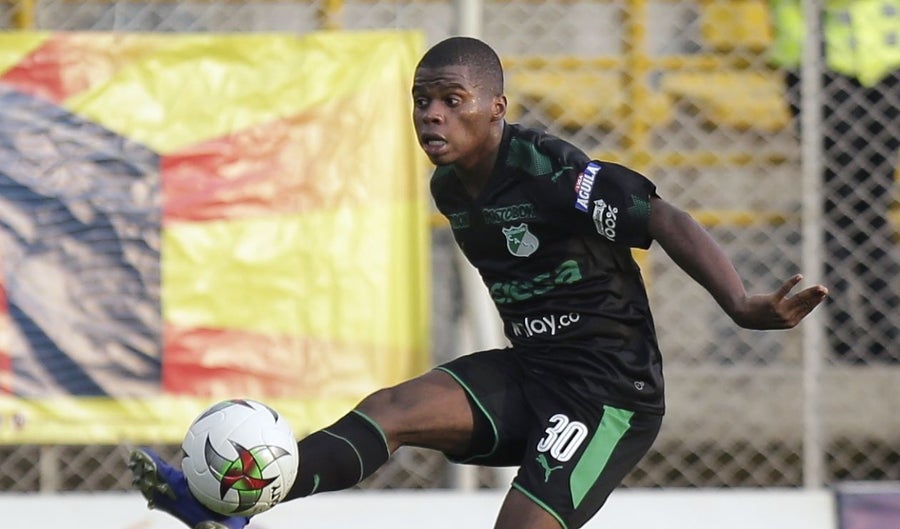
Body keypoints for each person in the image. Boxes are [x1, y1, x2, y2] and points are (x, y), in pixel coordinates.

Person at [130, 36, 828, 529]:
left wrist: (742, 303)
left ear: (496, 106)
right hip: (532, 372)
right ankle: (225, 505)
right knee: (391, 409)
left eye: (451, 99)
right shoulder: (450, 187)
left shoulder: (551, 173)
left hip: (607, 395)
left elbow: (663, 216)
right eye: (421, 100)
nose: (431, 114)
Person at [769, 0, 900, 362]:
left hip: (886, 63)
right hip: (819, 66)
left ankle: (879, 329)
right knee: (839, 202)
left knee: (870, 201)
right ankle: (852, 333)